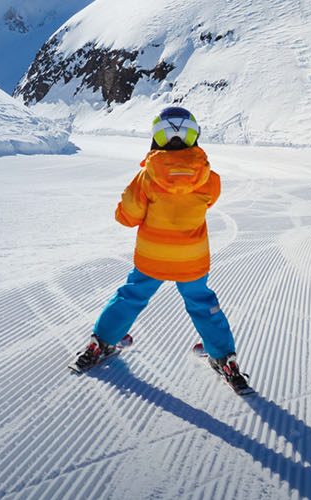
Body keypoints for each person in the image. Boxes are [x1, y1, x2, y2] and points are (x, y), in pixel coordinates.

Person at [71, 107, 249, 393]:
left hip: (152, 259)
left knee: (131, 296)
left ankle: (102, 341)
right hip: (191, 260)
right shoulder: (209, 178)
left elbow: (127, 216)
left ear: (157, 138)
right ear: (194, 136)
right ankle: (222, 356)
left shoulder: (146, 177)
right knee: (202, 302)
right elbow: (207, 201)